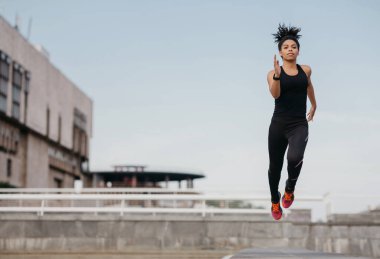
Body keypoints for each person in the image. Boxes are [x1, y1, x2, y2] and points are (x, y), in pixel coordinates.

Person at [266, 23, 317, 220]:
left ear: (298, 51)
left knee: (295, 158)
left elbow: (309, 87)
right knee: (274, 168)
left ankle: (289, 189)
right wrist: (278, 76)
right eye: (286, 47)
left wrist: (314, 105)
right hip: (278, 125)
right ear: (280, 52)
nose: (290, 49)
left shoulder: (306, 70)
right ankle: (274, 200)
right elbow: (275, 94)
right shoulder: (272, 73)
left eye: (293, 47)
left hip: (298, 124)